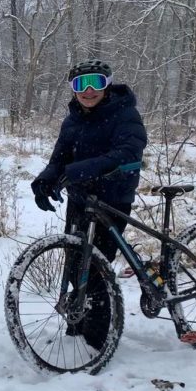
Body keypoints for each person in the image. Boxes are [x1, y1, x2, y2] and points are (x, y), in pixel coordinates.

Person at [31, 59, 147, 349]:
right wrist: (45, 180)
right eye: (81, 84)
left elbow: (128, 152)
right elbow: (60, 159)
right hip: (81, 198)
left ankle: (98, 337)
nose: (89, 90)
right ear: (73, 90)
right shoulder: (73, 120)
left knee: (96, 268)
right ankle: (81, 319)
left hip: (113, 197)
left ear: (108, 85)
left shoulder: (124, 114)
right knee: (74, 263)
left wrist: (83, 169)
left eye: (97, 82)